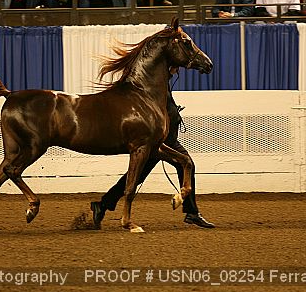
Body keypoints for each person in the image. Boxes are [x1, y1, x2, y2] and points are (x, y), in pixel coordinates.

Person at [90, 86, 215, 229]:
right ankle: (191, 212)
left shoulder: (162, 83)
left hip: (164, 139)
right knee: (185, 164)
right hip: (163, 141)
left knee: (137, 176)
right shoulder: (154, 85)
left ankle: (103, 204)